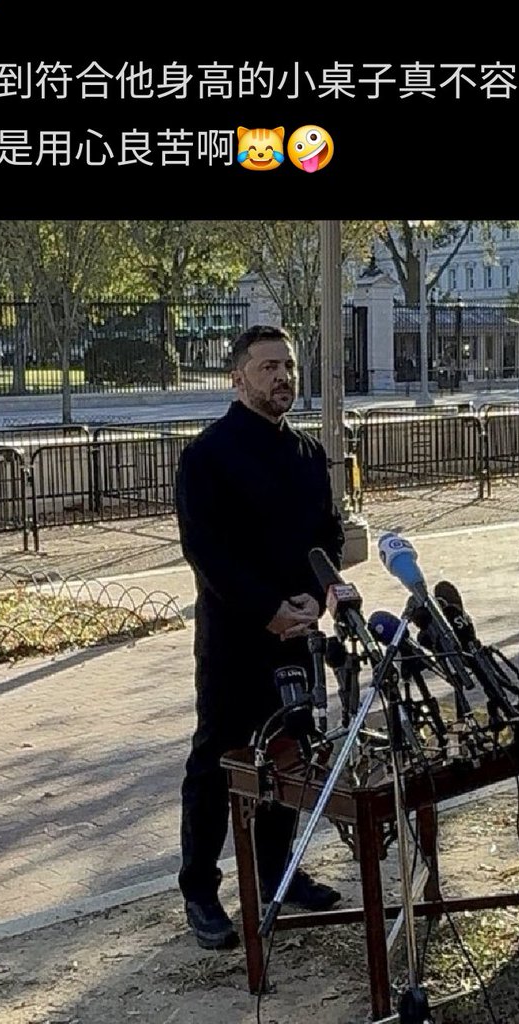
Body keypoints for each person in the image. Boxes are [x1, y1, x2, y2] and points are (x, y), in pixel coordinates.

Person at [176, 324, 346, 949]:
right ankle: (200, 889)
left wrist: (316, 594)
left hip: (297, 633)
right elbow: (206, 551)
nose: (282, 377)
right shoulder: (208, 455)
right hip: (233, 639)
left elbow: (327, 535)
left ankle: (278, 872)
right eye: (268, 366)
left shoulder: (307, 454)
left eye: (289, 366)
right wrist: (265, 609)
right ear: (237, 377)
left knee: (289, 756)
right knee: (217, 760)